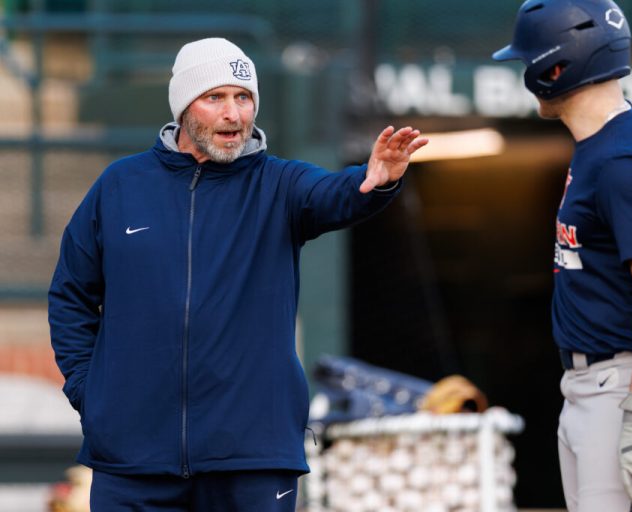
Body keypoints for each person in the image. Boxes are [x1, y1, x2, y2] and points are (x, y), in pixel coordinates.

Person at [48, 37, 428, 511]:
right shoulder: (119, 185)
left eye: (244, 97)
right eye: (215, 97)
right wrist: (90, 391)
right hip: (132, 459)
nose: (234, 114)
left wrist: (376, 180)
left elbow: (336, 194)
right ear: (184, 107)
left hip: (252, 459)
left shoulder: (282, 184)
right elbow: (71, 295)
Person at [492, 1, 632, 511]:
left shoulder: (625, 162)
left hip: (631, 383)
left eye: (527, 61)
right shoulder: (609, 140)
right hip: (601, 383)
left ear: (554, 69)